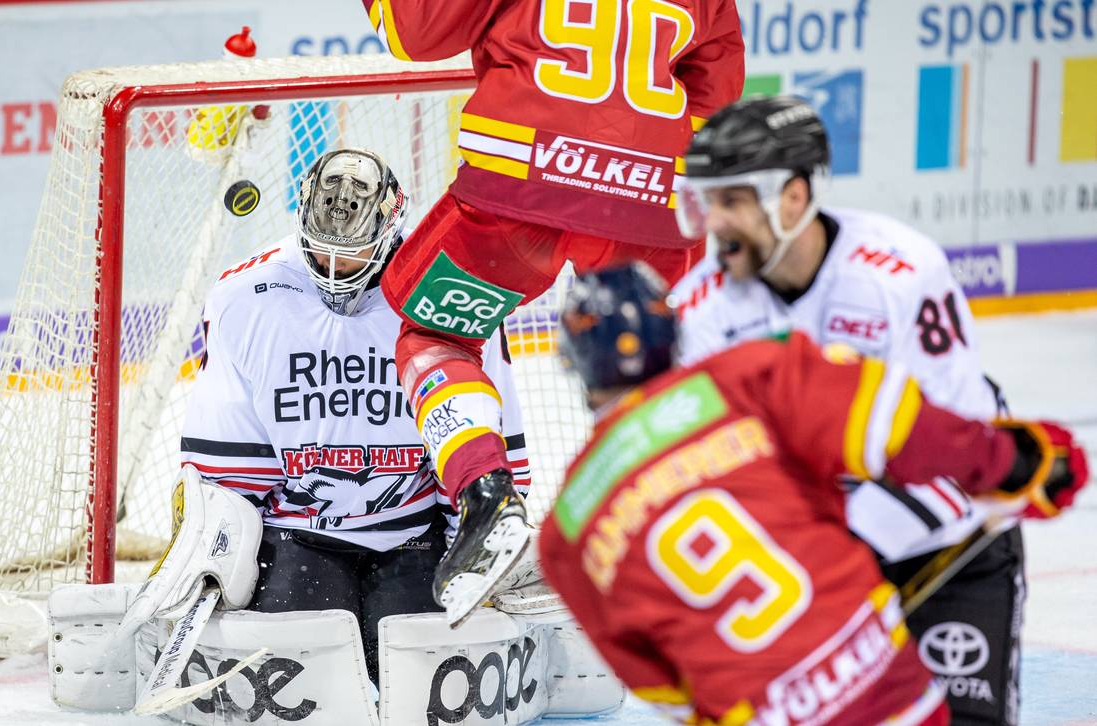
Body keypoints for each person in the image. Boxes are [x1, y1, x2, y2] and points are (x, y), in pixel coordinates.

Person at [537, 264, 1087, 726]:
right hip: (886, 692)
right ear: (674, 333)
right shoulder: (744, 376)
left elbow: (656, 682)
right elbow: (902, 427)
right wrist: (1020, 463)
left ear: (573, 361)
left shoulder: (565, 531)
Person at [360, 0, 746, 620]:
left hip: (525, 179)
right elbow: (715, 90)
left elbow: (415, 34)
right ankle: (678, 526)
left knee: (435, 337)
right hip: (652, 197)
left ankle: (485, 495)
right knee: (642, 363)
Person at [669, 94, 1045, 723]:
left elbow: (959, 450)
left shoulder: (898, 275)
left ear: (792, 198)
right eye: (707, 202)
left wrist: (828, 562)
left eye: (732, 200)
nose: (715, 223)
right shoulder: (700, 308)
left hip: (953, 547)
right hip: (821, 566)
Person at [177, 148, 530, 682]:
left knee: (418, 686)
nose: (336, 270)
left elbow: (482, 435)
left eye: (354, 254)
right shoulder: (245, 297)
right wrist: (215, 550)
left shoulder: (447, 293)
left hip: (414, 533)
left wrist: (476, 543)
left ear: (390, 231)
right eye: (321, 255)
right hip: (298, 533)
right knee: (305, 681)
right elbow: (229, 463)